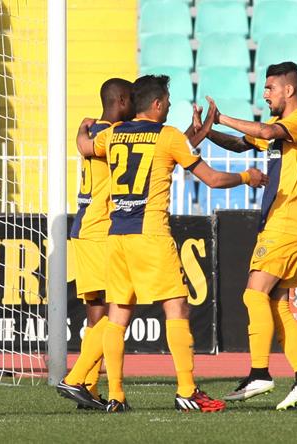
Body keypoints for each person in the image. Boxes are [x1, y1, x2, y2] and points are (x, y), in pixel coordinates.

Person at [63, 75, 268, 413]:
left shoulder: (114, 134)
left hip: (116, 236)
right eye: (168, 102)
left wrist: (81, 130)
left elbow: (86, 147)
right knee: (177, 307)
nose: (170, 107)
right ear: (157, 104)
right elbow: (213, 179)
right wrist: (247, 176)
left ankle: (114, 394)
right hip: (150, 234)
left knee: (117, 314)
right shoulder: (168, 136)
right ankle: (187, 389)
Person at [205, 61, 297, 410]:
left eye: (270, 88)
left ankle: (259, 372)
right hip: (277, 222)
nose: (265, 94)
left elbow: (268, 132)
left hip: (285, 223)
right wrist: (207, 130)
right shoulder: (278, 129)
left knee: (253, 294)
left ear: (289, 89)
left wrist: (221, 117)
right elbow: (240, 144)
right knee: (278, 304)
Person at [57, 78, 134, 409]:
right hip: (101, 231)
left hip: (85, 229)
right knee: (119, 310)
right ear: (121, 100)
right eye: (133, 100)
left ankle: (87, 387)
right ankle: (80, 380)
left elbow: (83, 146)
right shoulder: (114, 134)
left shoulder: (94, 131)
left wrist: (79, 131)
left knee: (98, 315)